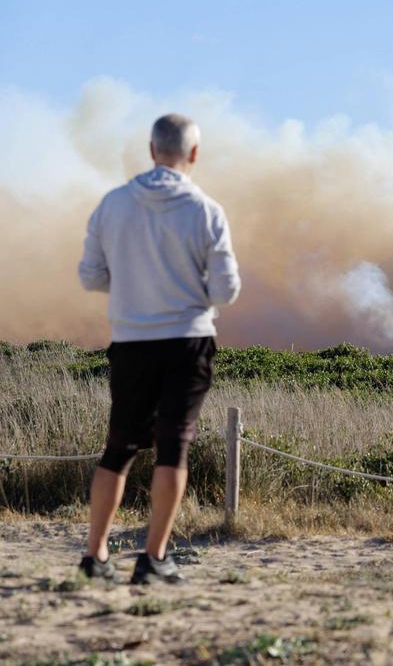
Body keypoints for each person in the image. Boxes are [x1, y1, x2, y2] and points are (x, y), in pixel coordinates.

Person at [77, 114, 241, 584]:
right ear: (194, 154)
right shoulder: (207, 210)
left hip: (130, 341)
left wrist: (132, 287)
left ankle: (95, 557)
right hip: (187, 340)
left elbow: (91, 276)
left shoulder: (112, 205)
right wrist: (188, 290)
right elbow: (227, 290)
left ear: (151, 150)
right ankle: (154, 558)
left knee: (119, 449)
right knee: (174, 449)